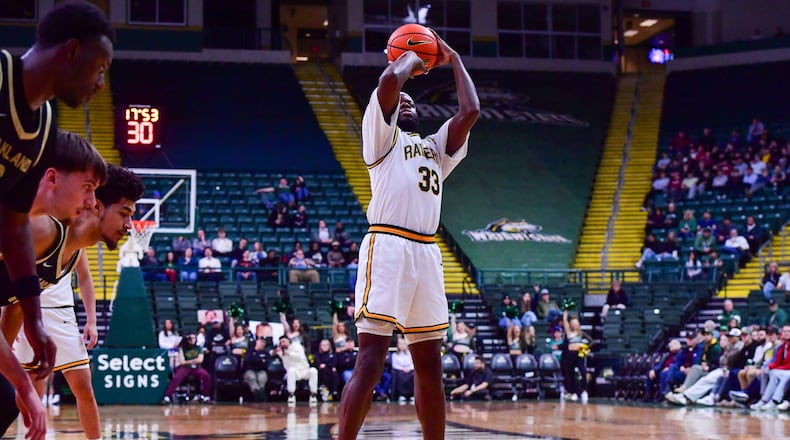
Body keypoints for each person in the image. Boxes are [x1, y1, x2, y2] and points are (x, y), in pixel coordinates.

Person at [337, 29, 479, 440]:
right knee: (371, 360)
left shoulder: (436, 148)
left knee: (431, 365)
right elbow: (388, 82)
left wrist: (451, 59)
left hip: (426, 253)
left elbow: (470, 111)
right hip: (388, 246)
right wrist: (413, 57)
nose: (409, 101)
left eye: (413, 100)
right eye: (404, 100)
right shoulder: (381, 138)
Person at [4, 165, 142, 439]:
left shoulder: (70, 254)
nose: (129, 226)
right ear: (97, 206)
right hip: (43, 312)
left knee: (11, 400)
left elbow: (15, 307)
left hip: (57, 315)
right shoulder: (44, 231)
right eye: (124, 214)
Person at [0, 130, 108, 437]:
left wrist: (90, 319)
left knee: (78, 386)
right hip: (31, 307)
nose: (90, 202)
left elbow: (84, 279)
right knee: (20, 391)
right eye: (87, 189)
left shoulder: (69, 241)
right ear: (51, 178)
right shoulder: (32, 228)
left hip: (54, 311)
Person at [162, 333, 211, 404]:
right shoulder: (182, 348)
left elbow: (200, 360)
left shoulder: (198, 348)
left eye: (194, 338)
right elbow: (182, 362)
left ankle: (205, 396)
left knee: (206, 376)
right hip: (185, 367)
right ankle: (167, 397)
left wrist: (188, 361)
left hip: (196, 367)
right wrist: (193, 360)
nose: (192, 340)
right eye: (190, 338)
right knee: (177, 378)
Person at [273, 335, 318, 406]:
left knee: (313, 371)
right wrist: (275, 351)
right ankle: (291, 395)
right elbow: (271, 353)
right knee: (291, 370)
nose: (282, 343)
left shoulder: (296, 346)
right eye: (281, 342)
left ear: (288, 341)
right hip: (295, 372)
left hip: (305, 370)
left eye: (283, 341)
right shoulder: (281, 352)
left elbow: (299, 357)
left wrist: (288, 354)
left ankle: (313, 395)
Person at [560, 310, 589, 402]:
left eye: (576, 323)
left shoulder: (581, 333)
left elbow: (591, 341)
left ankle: (584, 391)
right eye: (573, 323)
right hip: (570, 354)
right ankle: (573, 392)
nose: (575, 325)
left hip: (579, 354)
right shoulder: (569, 333)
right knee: (570, 374)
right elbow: (565, 322)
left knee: (583, 371)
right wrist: (565, 314)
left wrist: (585, 348)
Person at [242, 337, 270, 402]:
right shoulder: (249, 351)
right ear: (257, 342)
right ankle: (258, 395)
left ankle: (259, 395)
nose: (263, 344)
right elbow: (247, 360)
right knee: (252, 377)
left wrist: (255, 360)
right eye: (261, 342)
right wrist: (260, 360)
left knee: (262, 378)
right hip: (249, 371)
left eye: (264, 343)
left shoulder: (266, 353)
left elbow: (267, 364)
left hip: (261, 371)